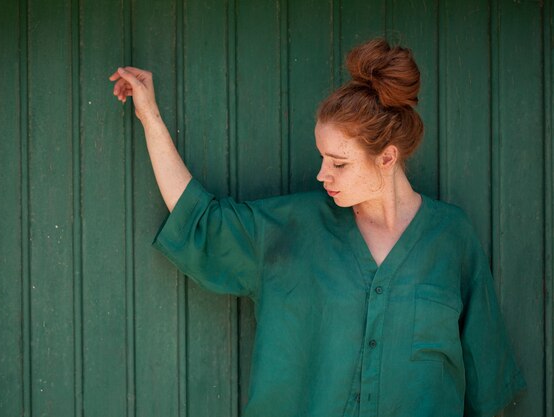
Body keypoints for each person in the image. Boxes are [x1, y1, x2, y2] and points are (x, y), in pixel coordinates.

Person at [110, 38, 526, 417]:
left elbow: (487, 383)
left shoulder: (451, 239)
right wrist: (150, 117)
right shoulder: (292, 229)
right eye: (322, 157)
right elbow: (201, 221)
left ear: (387, 158)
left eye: (339, 163)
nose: (322, 174)